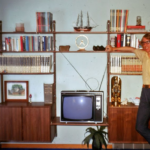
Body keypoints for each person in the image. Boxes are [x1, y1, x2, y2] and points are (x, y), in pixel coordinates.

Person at [105, 33, 150, 143]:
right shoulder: (143, 54)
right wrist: (114, 48)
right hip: (145, 92)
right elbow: (131, 48)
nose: (144, 45)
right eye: (142, 43)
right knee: (139, 126)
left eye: (146, 42)